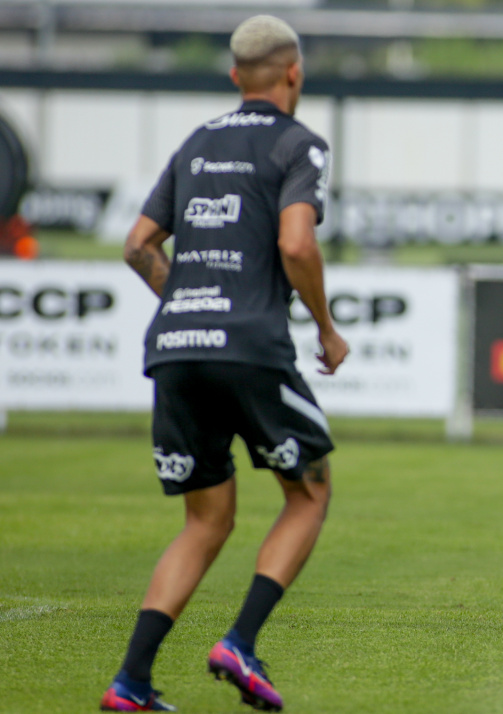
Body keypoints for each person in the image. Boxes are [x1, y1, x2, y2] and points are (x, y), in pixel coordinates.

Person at [100, 15, 348, 712]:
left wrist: (185, 300)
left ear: (236, 76)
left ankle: (131, 683)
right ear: (294, 73)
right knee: (308, 492)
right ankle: (239, 640)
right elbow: (296, 245)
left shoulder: (197, 141)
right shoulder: (299, 144)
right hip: (248, 347)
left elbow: (137, 245)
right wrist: (325, 328)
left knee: (205, 521)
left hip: (174, 348)